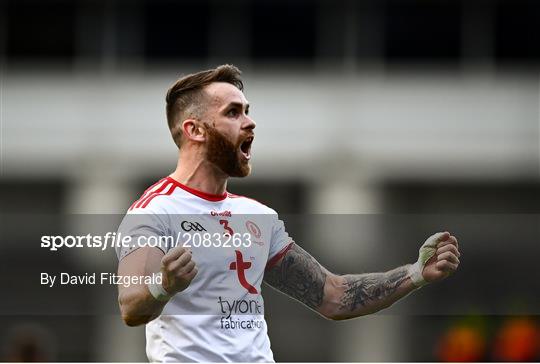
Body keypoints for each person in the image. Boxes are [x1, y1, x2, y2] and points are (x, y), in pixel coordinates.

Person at [116, 65, 461, 362]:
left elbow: (333, 296)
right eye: (233, 113)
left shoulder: (256, 216)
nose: (250, 123)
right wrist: (164, 285)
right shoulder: (155, 210)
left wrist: (416, 273)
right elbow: (130, 307)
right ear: (195, 130)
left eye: (247, 111)